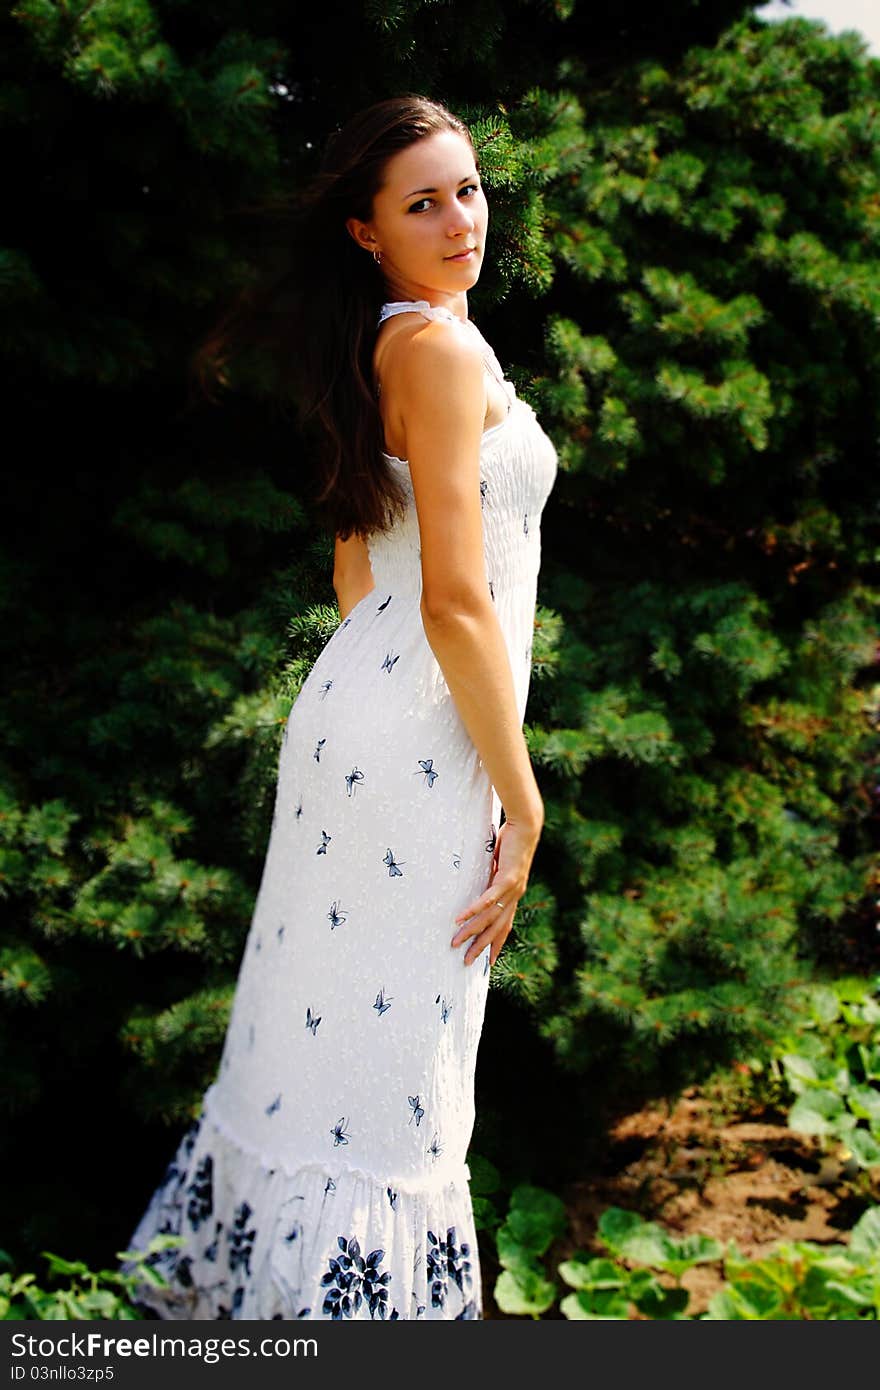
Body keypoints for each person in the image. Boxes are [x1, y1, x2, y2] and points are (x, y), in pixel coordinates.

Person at [120, 93, 557, 1321]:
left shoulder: (409, 339)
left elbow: (360, 558)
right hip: (419, 739)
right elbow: (457, 605)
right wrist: (521, 806)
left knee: (338, 1027)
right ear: (366, 231)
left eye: (466, 188)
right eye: (422, 202)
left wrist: (382, 701)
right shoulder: (437, 349)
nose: (458, 217)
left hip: (375, 723)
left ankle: (274, 1308)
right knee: (402, 1064)